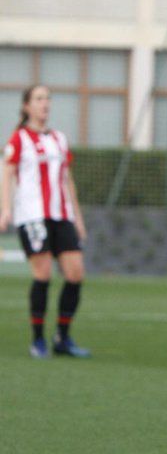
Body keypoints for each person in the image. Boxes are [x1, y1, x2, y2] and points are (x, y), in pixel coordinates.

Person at [0, 84, 91, 358]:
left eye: (48, 98)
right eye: (39, 98)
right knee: (43, 274)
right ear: (27, 106)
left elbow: (67, 179)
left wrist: (78, 218)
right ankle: (38, 340)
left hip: (61, 215)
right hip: (33, 216)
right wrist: (5, 209)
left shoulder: (59, 139)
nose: (45, 103)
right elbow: (7, 174)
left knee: (75, 274)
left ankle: (62, 337)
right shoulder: (18, 139)